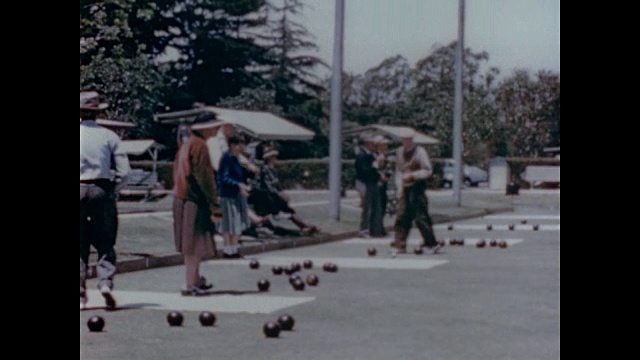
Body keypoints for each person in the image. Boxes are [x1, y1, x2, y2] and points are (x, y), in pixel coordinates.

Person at [80, 90, 131, 310]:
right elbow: (125, 172)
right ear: (98, 113)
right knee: (105, 239)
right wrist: (114, 189)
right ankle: (105, 283)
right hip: (101, 187)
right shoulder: (110, 136)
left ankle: (80, 295)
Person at [172, 114, 223, 296]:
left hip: (182, 197)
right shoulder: (200, 146)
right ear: (204, 128)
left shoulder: (188, 143)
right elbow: (205, 179)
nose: (217, 130)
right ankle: (189, 284)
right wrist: (215, 205)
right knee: (194, 245)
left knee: (190, 245)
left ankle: (194, 279)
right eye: (214, 127)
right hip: (194, 200)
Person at [391, 129, 441, 254]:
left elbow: (428, 170)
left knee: (420, 217)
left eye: (408, 139)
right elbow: (398, 171)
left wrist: (414, 175)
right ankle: (400, 244)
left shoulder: (420, 152)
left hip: (417, 188)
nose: (405, 142)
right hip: (405, 188)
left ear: (412, 140)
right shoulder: (399, 152)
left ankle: (431, 243)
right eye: (403, 139)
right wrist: (399, 189)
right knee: (402, 217)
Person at [249, 147, 320, 234]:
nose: (275, 158)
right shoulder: (265, 169)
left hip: (273, 196)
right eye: (273, 157)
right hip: (268, 197)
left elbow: (276, 184)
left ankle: (304, 226)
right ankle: (304, 226)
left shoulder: (272, 169)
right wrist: (279, 194)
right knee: (285, 210)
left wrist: (281, 192)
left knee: (288, 210)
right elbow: (268, 185)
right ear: (269, 158)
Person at [217, 135, 252, 258]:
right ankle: (228, 249)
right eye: (239, 145)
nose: (241, 148)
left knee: (236, 223)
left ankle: (233, 248)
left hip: (235, 194)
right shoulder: (227, 158)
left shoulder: (236, 159)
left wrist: (242, 186)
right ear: (232, 145)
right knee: (228, 223)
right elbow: (224, 178)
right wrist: (239, 185)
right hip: (227, 195)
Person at [354, 133, 384, 238]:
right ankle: (364, 230)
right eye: (372, 143)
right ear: (367, 143)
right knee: (366, 207)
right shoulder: (361, 155)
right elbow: (363, 171)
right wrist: (375, 165)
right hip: (365, 183)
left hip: (373, 183)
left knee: (376, 207)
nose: (374, 145)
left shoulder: (372, 154)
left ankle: (376, 229)